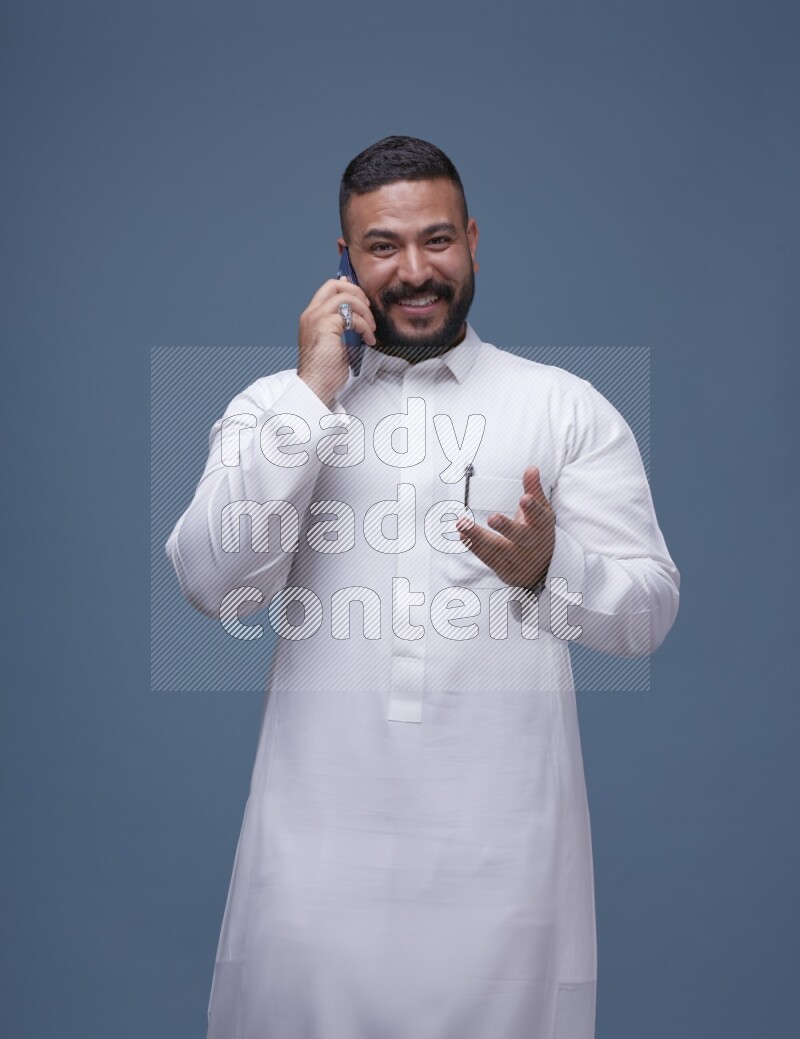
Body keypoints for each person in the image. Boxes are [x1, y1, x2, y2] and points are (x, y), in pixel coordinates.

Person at [166, 135, 679, 1039]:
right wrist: (311, 395)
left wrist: (550, 570)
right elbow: (215, 583)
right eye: (382, 246)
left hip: (505, 867)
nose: (414, 271)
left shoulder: (563, 406)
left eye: (437, 240)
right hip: (313, 867)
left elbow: (647, 614)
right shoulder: (270, 406)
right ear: (344, 261)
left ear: (474, 240)